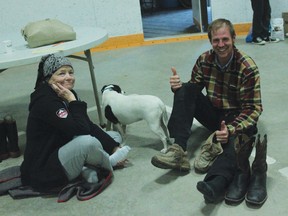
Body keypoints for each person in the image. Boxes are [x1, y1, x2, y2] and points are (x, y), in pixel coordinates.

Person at [151, 18, 267, 205]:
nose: (221, 45)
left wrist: (231, 129)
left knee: (235, 146)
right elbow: (194, 91)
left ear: (233, 39)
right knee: (186, 89)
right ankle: (178, 150)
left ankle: (215, 184)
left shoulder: (247, 67)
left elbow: (253, 109)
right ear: (210, 41)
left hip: (237, 118)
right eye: (216, 40)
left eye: (225, 39)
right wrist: (177, 88)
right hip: (214, 113)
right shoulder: (205, 59)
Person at [20, 54, 130, 193]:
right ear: (49, 78)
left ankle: (88, 167)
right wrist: (73, 102)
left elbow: (87, 125)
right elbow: (81, 130)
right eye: (61, 73)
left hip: (63, 148)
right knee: (89, 143)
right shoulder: (46, 101)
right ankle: (108, 162)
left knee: (113, 137)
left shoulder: (66, 93)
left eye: (71, 72)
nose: (68, 77)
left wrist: (114, 148)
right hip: (46, 171)